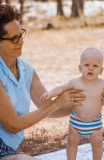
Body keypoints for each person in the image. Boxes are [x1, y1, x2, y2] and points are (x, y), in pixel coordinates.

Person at [0, 4, 88, 160]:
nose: (21, 42)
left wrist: (81, 102)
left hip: (7, 149)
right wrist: (56, 103)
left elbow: (47, 107)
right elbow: (13, 125)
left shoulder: (26, 68)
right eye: (14, 39)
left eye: (21, 35)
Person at [40, 48, 104, 160]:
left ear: (101, 70)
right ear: (80, 68)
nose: (90, 68)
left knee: (97, 144)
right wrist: (50, 93)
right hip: (76, 122)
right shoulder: (75, 82)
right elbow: (62, 88)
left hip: (94, 123)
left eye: (95, 66)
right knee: (71, 142)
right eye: (86, 65)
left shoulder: (103, 84)